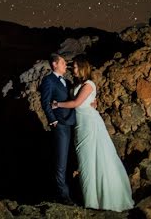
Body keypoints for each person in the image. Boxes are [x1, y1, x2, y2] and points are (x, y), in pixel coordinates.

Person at [52, 55, 134, 212]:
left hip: (89, 124)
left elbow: (76, 103)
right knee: (86, 161)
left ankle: (100, 201)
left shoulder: (89, 84)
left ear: (83, 67)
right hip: (80, 125)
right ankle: (92, 199)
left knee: (91, 160)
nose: (73, 69)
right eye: (72, 67)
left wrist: (57, 104)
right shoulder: (78, 84)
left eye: (75, 67)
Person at [39, 52, 76, 204]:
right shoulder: (48, 80)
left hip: (72, 123)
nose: (65, 65)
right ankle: (62, 195)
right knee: (60, 161)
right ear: (54, 64)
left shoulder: (67, 81)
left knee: (70, 159)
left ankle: (70, 191)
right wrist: (53, 120)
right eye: (62, 63)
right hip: (60, 124)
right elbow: (45, 101)